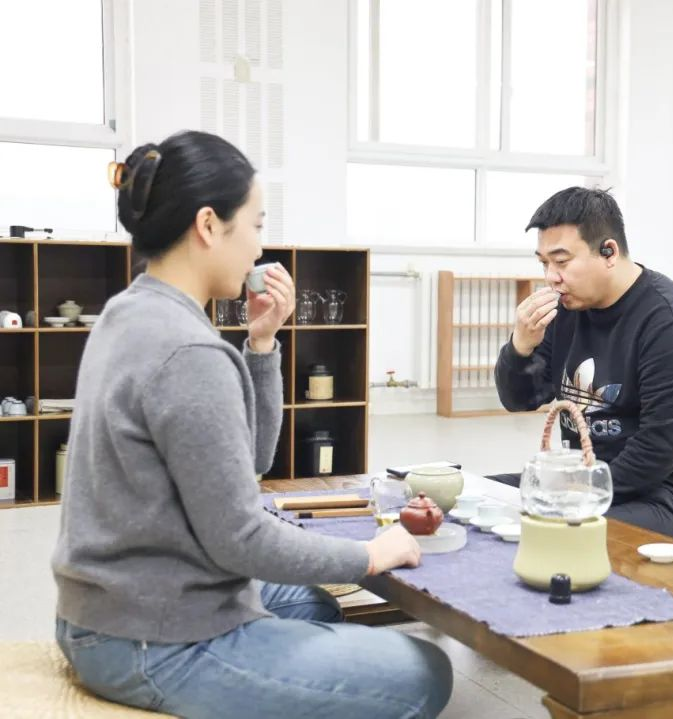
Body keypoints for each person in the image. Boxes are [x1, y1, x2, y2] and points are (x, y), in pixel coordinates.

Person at [51, 131, 452, 719]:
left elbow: (250, 462)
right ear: (209, 225)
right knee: (425, 672)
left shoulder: (128, 312)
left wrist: (262, 343)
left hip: (106, 611)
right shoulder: (187, 351)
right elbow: (242, 537)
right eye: (257, 226)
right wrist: (370, 555)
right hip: (151, 639)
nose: (260, 248)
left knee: (310, 605)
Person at [492, 187, 673, 545]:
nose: (551, 276)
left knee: (542, 532)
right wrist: (520, 345)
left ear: (609, 252)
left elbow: (656, 453)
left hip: (667, 500)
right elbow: (519, 400)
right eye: (544, 263)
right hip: (579, 481)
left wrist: (562, 497)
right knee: (476, 497)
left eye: (562, 261)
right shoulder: (567, 310)